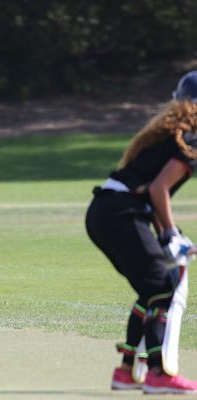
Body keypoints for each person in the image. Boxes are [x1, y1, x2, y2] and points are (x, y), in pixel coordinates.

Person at [85, 71, 197, 394]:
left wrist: (168, 233)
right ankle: (159, 374)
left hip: (104, 211)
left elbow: (149, 192)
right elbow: (159, 189)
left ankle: (126, 372)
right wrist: (170, 235)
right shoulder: (190, 136)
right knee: (164, 287)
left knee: (151, 290)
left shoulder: (168, 133)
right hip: (121, 214)